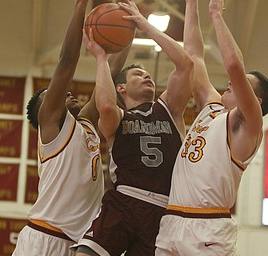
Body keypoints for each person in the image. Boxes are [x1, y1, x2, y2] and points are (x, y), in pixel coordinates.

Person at [155, 0, 268, 255]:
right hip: (173, 219)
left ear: (255, 101)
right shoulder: (212, 108)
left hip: (208, 227)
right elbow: (194, 54)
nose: (230, 84)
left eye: (241, 84)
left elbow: (233, 66)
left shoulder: (248, 125)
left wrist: (216, 15)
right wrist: (191, 4)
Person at [72, 1, 194, 255]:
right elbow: (104, 105)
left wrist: (143, 25)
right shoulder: (118, 117)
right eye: (138, 74)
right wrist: (101, 57)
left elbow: (186, 65)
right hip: (124, 202)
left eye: (148, 74)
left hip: (163, 211)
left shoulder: (169, 109)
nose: (147, 76)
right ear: (121, 88)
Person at [12, 0, 131, 255]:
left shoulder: (85, 124)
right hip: (45, 238)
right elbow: (67, 61)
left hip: (78, 244)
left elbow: (112, 70)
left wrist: (131, 28)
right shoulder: (52, 127)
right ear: (45, 110)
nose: (66, 90)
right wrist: (80, 5)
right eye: (52, 94)